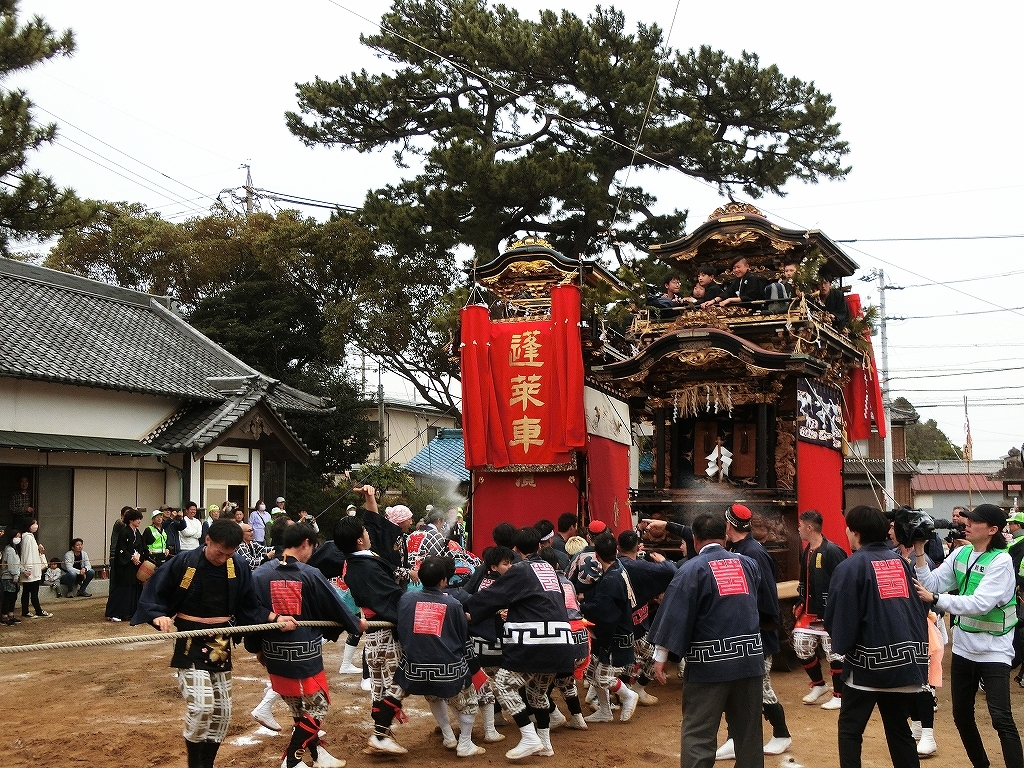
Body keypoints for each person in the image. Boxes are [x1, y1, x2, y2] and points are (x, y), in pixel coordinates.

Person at [133, 518, 280, 768]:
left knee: (222, 713)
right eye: (219, 552)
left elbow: (249, 605)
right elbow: (156, 590)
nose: (222, 559)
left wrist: (275, 618)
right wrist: (157, 614)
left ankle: (206, 765)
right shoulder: (185, 562)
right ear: (208, 540)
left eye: (228, 554)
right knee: (202, 706)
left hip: (221, 643)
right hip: (189, 639)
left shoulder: (238, 565)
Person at [649, 512, 769, 768]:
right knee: (749, 735)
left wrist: (661, 655)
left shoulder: (691, 569)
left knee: (699, 735)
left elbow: (675, 613)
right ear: (725, 536)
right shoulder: (748, 564)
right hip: (750, 661)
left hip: (709, 665)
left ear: (694, 539)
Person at [246, 522, 364, 768]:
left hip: (273, 651)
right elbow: (334, 605)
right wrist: (355, 623)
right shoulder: (310, 574)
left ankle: (318, 755)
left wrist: (256, 648)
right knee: (319, 705)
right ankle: (292, 759)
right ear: (306, 544)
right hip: (303, 652)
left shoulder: (260, 573)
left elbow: (250, 612)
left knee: (299, 708)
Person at [913, 503, 1023, 768]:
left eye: (974, 521)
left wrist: (936, 599)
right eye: (967, 519)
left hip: (994, 651)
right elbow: (931, 583)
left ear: (992, 530)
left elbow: (980, 603)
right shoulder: (961, 553)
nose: (967, 524)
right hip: (964, 649)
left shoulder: (1001, 561)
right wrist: (919, 551)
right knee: (961, 716)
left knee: (1001, 718)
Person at [823, 505, 929, 768]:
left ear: (856, 532)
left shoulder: (851, 566)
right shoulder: (901, 563)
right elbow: (918, 607)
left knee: (850, 729)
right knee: (899, 729)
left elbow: (840, 616)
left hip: (868, 664)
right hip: (906, 659)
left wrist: (842, 644)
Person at [465, 526, 579, 760]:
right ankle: (545, 744)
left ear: (516, 549)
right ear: (539, 545)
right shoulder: (548, 568)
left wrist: (467, 610)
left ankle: (529, 736)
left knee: (503, 684)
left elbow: (493, 596)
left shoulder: (520, 570)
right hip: (561, 640)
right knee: (537, 693)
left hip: (535, 642)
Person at [334, 488, 409, 755]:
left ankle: (381, 736)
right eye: (365, 532)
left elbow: (375, 528)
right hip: (385, 631)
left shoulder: (360, 560)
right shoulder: (364, 568)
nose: (370, 533)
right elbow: (391, 600)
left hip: (375, 637)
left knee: (380, 687)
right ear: (359, 540)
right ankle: (379, 735)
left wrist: (370, 499)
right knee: (401, 682)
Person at [716, 503, 793, 759]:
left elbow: (768, 598)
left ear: (729, 525)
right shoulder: (737, 549)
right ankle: (734, 738)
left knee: (761, 686)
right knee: (737, 687)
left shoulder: (754, 553)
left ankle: (781, 733)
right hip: (743, 632)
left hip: (757, 633)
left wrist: (758, 628)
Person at [394, 555, 487, 757]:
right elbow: (462, 637)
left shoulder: (406, 599)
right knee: (469, 702)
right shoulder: (453, 604)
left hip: (415, 669)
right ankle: (465, 743)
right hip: (448, 670)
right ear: (444, 580)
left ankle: (448, 735)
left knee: (433, 694)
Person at [580, 531, 640, 724]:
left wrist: (580, 607)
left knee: (604, 678)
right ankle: (605, 711)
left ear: (596, 555)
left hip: (615, 635)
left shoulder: (611, 579)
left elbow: (602, 610)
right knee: (592, 673)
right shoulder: (618, 569)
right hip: (613, 632)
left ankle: (628, 695)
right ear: (616, 550)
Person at [793, 509, 847, 709]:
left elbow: (843, 582)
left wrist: (839, 610)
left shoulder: (833, 551)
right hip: (810, 611)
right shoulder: (807, 550)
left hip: (830, 611)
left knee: (834, 652)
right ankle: (819, 685)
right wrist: (800, 601)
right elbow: (804, 581)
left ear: (809, 527)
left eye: (800, 525)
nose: (798, 529)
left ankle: (840, 695)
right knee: (801, 644)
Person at [106, 508, 148, 622]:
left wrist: (139, 555)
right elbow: (121, 549)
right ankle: (115, 613)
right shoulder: (124, 532)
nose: (139, 521)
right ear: (130, 520)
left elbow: (141, 546)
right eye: (137, 519)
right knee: (123, 589)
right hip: (124, 565)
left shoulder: (137, 532)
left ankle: (130, 613)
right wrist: (131, 557)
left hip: (134, 564)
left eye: (140, 519)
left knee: (134, 587)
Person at [406, 507, 449, 583]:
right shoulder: (436, 535)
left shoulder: (413, 534)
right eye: (443, 521)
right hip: (424, 578)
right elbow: (436, 560)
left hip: (408, 575)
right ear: (439, 520)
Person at [19, 518, 51, 618]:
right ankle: (37, 610)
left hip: (32, 569)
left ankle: (27, 611)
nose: (36, 525)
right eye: (34, 523)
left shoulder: (29, 537)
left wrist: (39, 550)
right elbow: (27, 554)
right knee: (32, 592)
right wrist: (28, 569)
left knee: (27, 591)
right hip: (31, 570)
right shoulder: (28, 538)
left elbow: (32, 553)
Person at [1007, 510, 1024, 685]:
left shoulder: (1017, 545)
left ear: (1018, 525)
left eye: (1011, 523)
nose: (1009, 526)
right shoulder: (1014, 543)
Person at [1, 529, 22, 624]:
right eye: (16, 536)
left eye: (19, 537)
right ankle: (4, 617)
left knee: (13, 597)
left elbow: (17, 564)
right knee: (8, 597)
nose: (18, 539)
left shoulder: (14, 549)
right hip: (8, 577)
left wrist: (23, 571)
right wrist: (15, 575)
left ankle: (11, 615)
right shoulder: (9, 549)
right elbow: (11, 565)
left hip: (13, 576)